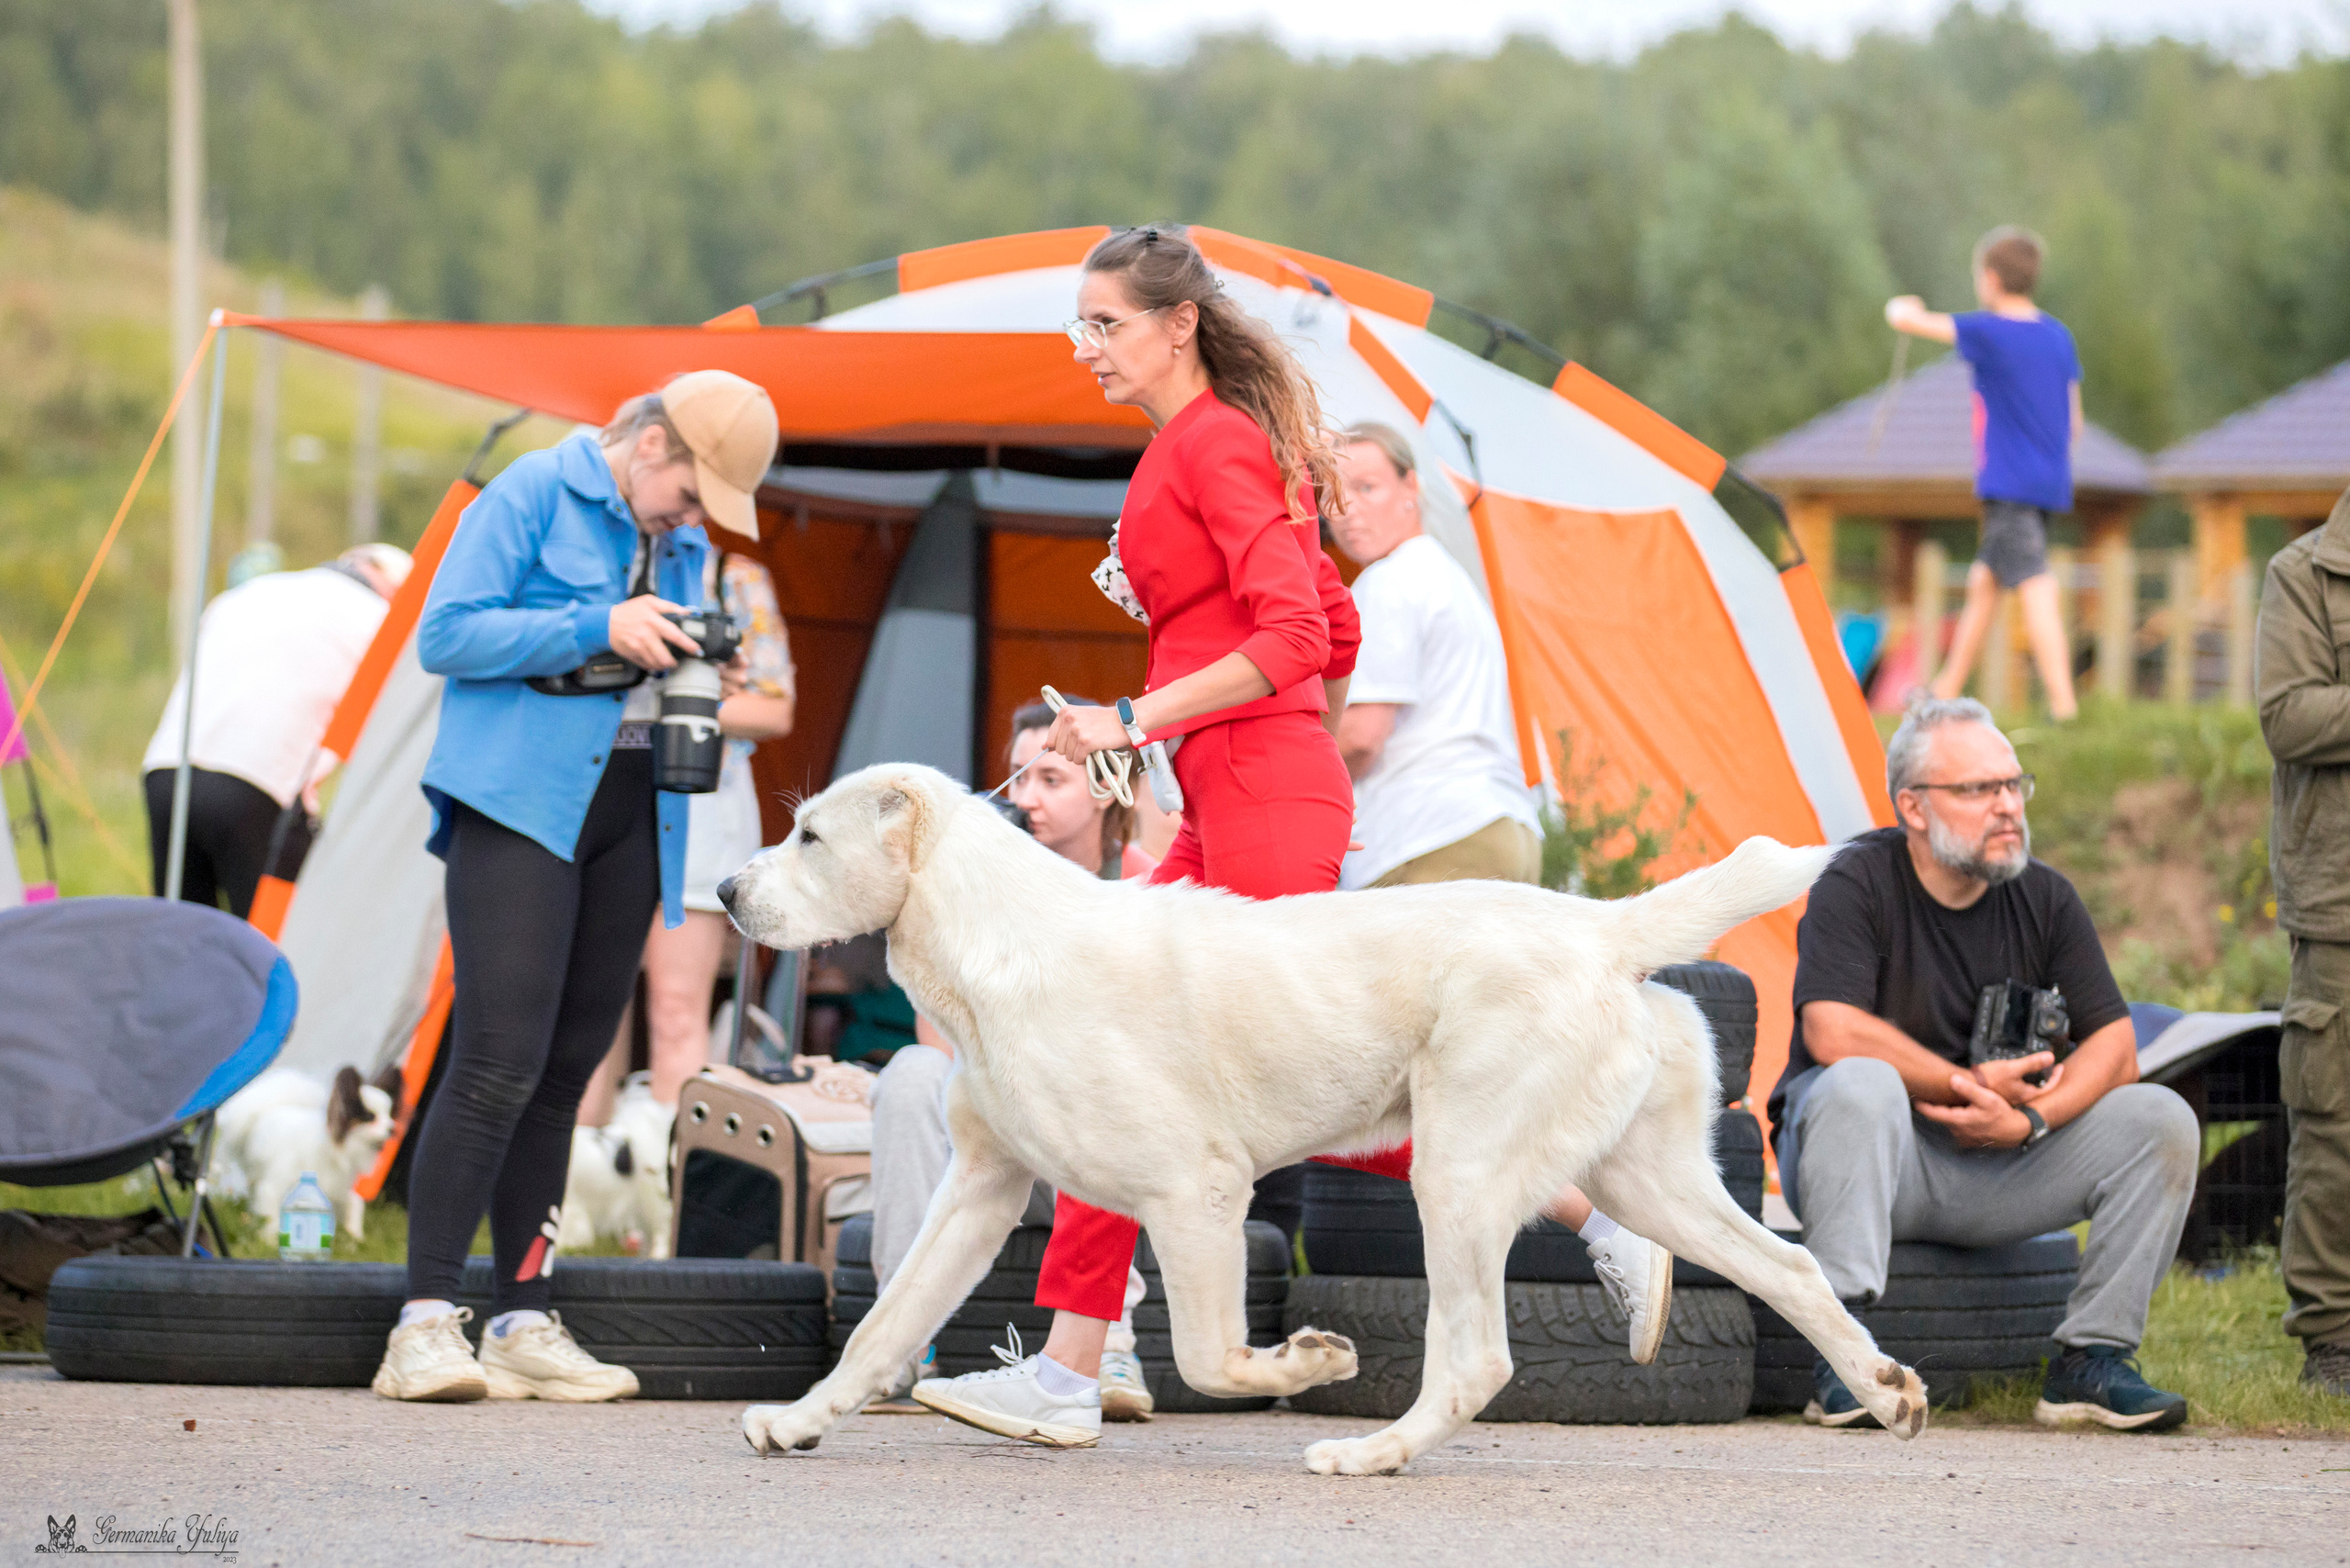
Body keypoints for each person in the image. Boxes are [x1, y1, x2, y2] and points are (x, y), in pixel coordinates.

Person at [371, 370, 778, 1404]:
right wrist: (598, 624)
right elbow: (447, 635)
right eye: (690, 498)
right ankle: (422, 1322)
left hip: (638, 806)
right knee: (498, 1055)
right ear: (652, 450)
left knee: (565, 1068)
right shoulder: (527, 493)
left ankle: (522, 1313)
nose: (692, 522)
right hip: (520, 804)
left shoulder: (682, 540)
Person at [1774, 695, 2198, 1431]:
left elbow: (2117, 1046)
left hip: (2006, 1163)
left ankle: (2089, 1363)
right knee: (1858, 1083)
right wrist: (1966, 1086)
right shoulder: (1856, 882)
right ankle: (1844, 1360)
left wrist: (2028, 1118)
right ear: (1912, 805)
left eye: (2013, 784)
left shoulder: (2046, 897)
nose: (2007, 807)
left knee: (2161, 1117)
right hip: (1884, 1165)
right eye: (1978, 790)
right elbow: (1832, 1029)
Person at [1328, 420, 1671, 1327]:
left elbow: (1362, 735)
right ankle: (1607, 1222)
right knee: (1446, 1090)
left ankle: (1604, 1228)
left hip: (1431, 844)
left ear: (1414, 488)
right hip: (1490, 832)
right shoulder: (1445, 581)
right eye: (1334, 490)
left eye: (1365, 484)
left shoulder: (1394, 585)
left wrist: (1270, 765)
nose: (1348, 506)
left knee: (1395, 1089)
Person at [867, 698, 1156, 1417]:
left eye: (1050, 779)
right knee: (909, 1074)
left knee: (1099, 1081)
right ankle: (896, 1351)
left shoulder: (1147, 884)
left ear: (1107, 789)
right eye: (1017, 778)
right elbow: (940, 1049)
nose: (1025, 798)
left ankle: (1109, 1349)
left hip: (1107, 1144)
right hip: (994, 1136)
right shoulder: (966, 891)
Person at [577, 551, 794, 1124]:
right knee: (593, 1009)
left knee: (677, 1008)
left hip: (702, 800)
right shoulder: (598, 559)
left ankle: (666, 1198)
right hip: (602, 795)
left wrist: (672, 701)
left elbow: (774, 707)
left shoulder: (733, 576)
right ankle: (574, 1191)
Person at [141, 543, 410, 916]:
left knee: (181, 938)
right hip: (258, 783)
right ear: (395, 588)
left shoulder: (253, 591)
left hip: (166, 770)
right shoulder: (380, 619)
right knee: (270, 942)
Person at [1886, 226, 2081, 720]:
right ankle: (1947, 686)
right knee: (1985, 582)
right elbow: (2074, 420)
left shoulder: (1990, 331)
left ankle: (2063, 704)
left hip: (2009, 482)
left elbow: (1916, 323)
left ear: (1991, 279)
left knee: (2035, 583)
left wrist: (1900, 309)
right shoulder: (2058, 338)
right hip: (2048, 481)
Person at [2254, 486, 2350, 1399]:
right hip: (2340, 901)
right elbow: (2287, 716)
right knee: (2334, 1127)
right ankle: (2333, 1342)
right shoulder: (2305, 576)